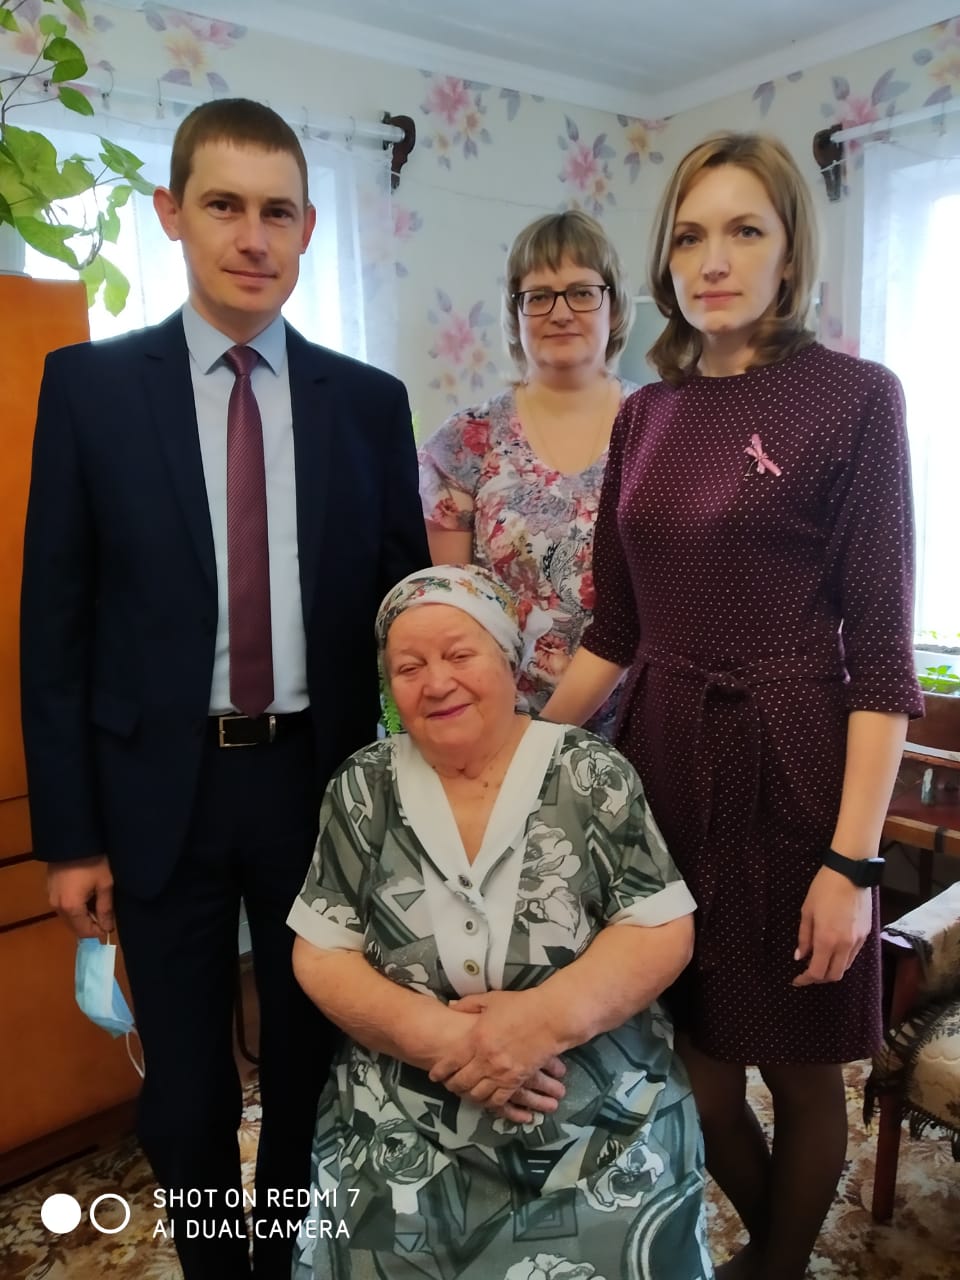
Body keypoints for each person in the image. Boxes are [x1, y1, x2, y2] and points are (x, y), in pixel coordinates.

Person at [19, 99, 428, 1280]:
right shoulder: (89, 389)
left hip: (319, 789)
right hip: (162, 791)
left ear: (307, 231)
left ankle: (286, 1259)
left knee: (311, 1067)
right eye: (224, 205)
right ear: (173, 214)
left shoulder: (368, 403)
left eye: (279, 212)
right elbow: (55, 627)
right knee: (185, 1090)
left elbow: (406, 616)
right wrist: (71, 837)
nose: (253, 236)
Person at [540, 132, 922, 1279]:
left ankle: (776, 1263)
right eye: (691, 235)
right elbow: (617, 626)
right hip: (661, 768)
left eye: (745, 230)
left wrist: (852, 863)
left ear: (790, 251)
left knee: (801, 1065)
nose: (714, 259)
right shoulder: (645, 414)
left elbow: (883, 658)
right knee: (695, 1065)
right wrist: (523, 750)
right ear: (665, 259)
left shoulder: (856, 398)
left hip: (795, 765)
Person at [287, 565, 713, 1280]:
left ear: (510, 661)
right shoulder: (362, 785)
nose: (437, 682)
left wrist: (541, 1023)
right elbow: (322, 951)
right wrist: (440, 1039)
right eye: (409, 668)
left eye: (460, 654)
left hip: (593, 1104)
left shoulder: (589, 770)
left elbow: (658, 927)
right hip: (403, 1110)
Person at [419, 210, 635, 738]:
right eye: (538, 296)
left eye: (581, 292)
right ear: (515, 313)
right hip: (502, 732)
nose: (560, 312)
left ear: (613, 306)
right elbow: (456, 615)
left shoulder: (661, 428)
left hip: (640, 729)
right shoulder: (465, 441)